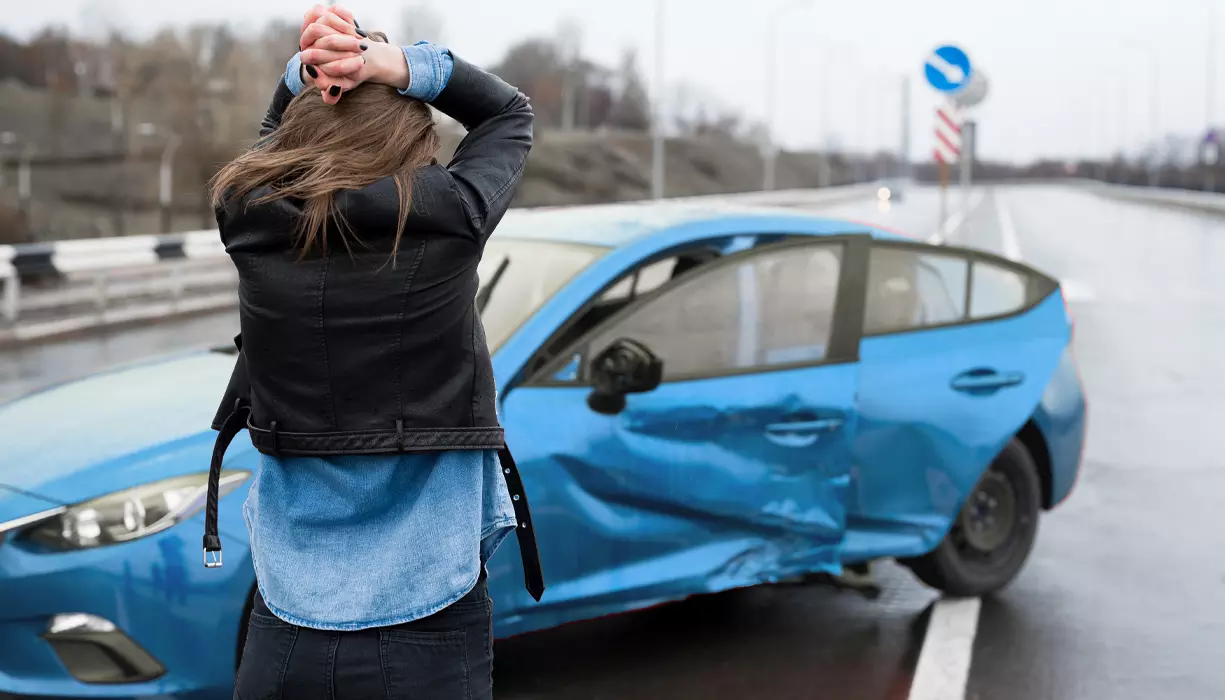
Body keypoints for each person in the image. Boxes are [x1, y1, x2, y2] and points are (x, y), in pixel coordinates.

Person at [202, 5, 543, 698]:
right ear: (414, 144)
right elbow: (507, 114)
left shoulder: (249, 216)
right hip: (429, 628)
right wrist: (396, 65)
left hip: (286, 631)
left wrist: (312, 67)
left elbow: (272, 144)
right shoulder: (451, 216)